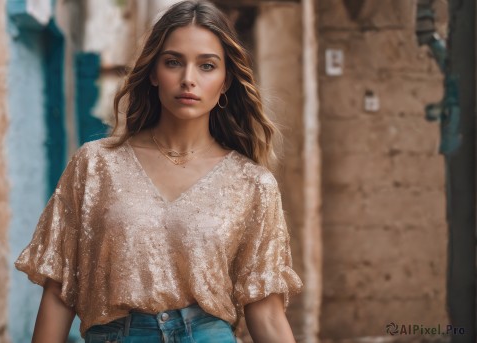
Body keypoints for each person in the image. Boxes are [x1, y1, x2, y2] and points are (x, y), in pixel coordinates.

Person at [15, 1, 303, 342]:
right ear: (153, 72)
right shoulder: (95, 165)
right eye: (173, 63)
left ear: (226, 81)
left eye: (207, 66)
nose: (188, 80)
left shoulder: (252, 184)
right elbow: (59, 291)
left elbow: (266, 313)